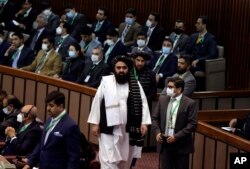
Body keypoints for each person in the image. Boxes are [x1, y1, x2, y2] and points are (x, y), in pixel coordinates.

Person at [88, 55, 151, 169]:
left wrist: (144, 123)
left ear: (128, 69)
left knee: (124, 160)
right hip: (108, 128)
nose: (121, 70)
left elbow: (143, 104)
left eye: (124, 68)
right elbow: (97, 101)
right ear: (114, 69)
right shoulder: (106, 82)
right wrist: (95, 123)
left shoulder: (135, 84)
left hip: (128, 129)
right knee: (108, 160)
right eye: (118, 68)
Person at [23, 91, 81, 169]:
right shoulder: (49, 120)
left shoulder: (70, 126)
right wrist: (29, 163)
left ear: (60, 106)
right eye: (47, 105)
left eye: (51, 106)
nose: (48, 109)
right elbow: (41, 144)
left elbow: (73, 157)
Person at [152, 77, 198, 169]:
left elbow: (192, 124)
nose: (167, 89)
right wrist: (157, 133)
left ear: (179, 89)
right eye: (167, 86)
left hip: (181, 144)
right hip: (165, 142)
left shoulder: (190, 103)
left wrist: (176, 136)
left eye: (170, 87)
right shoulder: (162, 99)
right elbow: (155, 118)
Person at [185, 16, 218, 91]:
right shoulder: (194, 36)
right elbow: (187, 50)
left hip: (201, 64)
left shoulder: (210, 38)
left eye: (198, 23)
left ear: (204, 25)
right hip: (190, 60)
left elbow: (213, 54)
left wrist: (199, 60)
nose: (195, 25)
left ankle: (189, 90)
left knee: (191, 68)